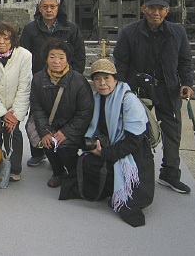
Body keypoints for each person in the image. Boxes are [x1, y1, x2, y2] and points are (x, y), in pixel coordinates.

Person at [113, 0, 194, 194]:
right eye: (151, 7)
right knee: (137, 131)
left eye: (160, 8)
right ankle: (138, 172)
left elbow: (185, 61)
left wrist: (187, 83)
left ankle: (170, 174)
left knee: (172, 132)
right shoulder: (129, 32)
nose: (155, 12)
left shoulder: (177, 32)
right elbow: (120, 63)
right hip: (138, 89)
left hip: (169, 89)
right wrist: (121, 90)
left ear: (167, 11)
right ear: (143, 8)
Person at [59, 59, 154, 227]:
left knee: (132, 194)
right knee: (84, 161)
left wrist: (105, 153)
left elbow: (134, 141)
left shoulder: (129, 100)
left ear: (115, 79)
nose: (102, 83)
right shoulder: (97, 98)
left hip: (133, 153)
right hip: (110, 146)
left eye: (106, 78)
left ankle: (118, 191)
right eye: (97, 79)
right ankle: (108, 189)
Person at [20, 0, 86, 167]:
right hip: (39, 81)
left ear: (58, 8)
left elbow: (79, 56)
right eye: (45, 7)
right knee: (37, 116)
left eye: (52, 6)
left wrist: (73, 79)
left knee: (63, 116)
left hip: (65, 81)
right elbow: (24, 57)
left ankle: (59, 154)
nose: (49, 10)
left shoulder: (71, 28)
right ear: (39, 8)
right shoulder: (30, 29)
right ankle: (38, 152)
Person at [30, 38, 93, 189]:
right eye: (52, 56)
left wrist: (66, 132)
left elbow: (85, 112)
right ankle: (58, 172)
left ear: (67, 60)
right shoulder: (38, 79)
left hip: (72, 126)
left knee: (65, 148)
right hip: (50, 124)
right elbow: (37, 108)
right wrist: (45, 132)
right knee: (48, 143)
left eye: (61, 57)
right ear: (46, 59)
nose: (56, 61)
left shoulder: (78, 81)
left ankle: (74, 173)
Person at [0, 22, 32, 182]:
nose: (1, 42)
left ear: (13, 40)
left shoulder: (24, 56)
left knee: (13, 132)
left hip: (15, 105)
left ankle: (15, 168)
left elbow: (24, 87)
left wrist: (14, 115)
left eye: (6, 38)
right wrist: (3, 113)